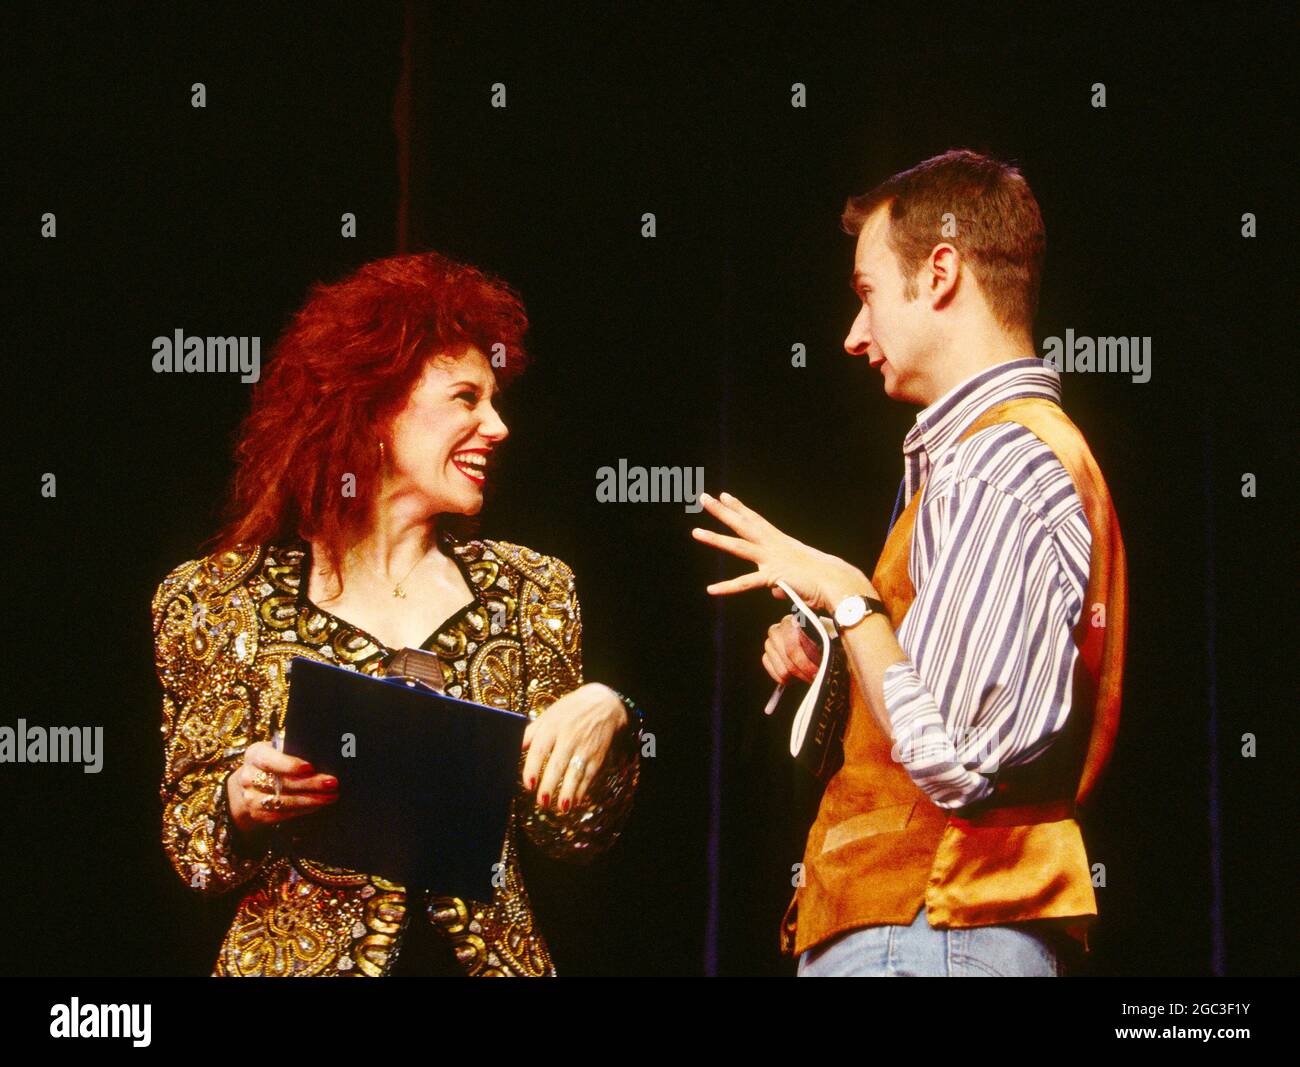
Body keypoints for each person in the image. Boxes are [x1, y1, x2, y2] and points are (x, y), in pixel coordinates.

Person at [693, 149, 1126, 976]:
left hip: (934, 930)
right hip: (922, 934)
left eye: (866, 294)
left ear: (940, 273)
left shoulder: (1003, 462)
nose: (853, 335)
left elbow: (959, 759)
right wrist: (844, 656)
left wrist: (851, 599)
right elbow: (948, 706)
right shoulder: (978, 457)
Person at [152, 251, 642, 976]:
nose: (498, 425)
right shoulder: (220, 598)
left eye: (495, 398)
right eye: (466, 397)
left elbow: (566, 836)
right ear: (375, 403)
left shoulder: (532, 589)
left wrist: (613, 716)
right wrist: (241, 799)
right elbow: (195, 854)